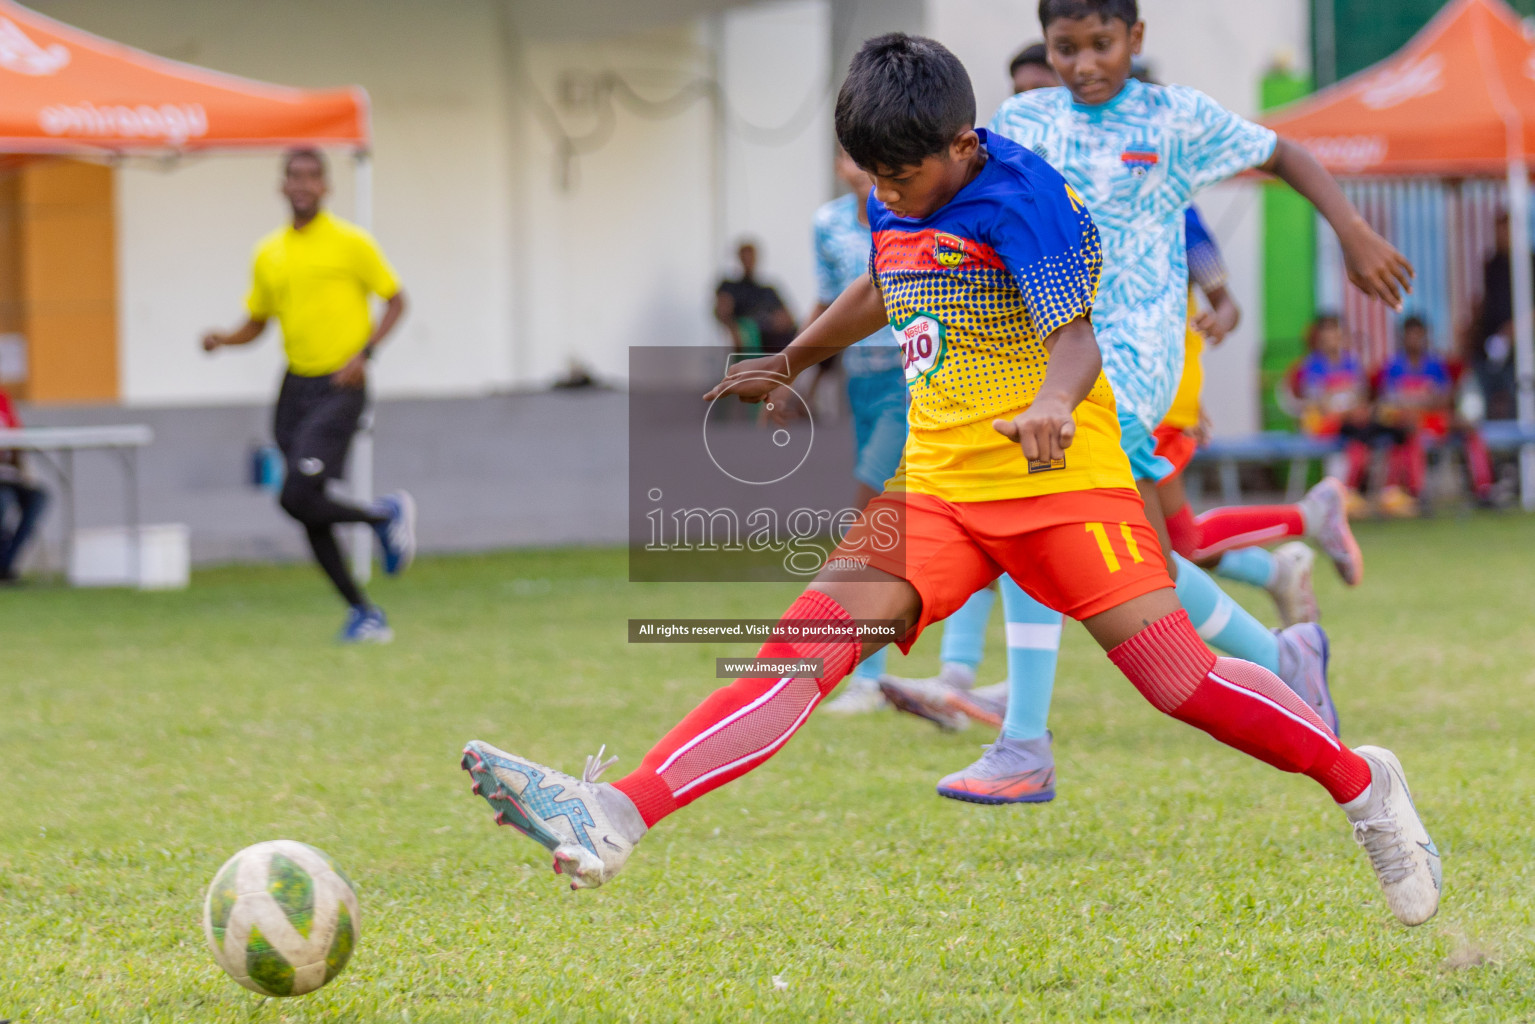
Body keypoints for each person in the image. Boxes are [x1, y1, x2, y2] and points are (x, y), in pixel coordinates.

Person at [458, 33, 1441, 929]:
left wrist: (1053, 403)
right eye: (877, 174)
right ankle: (617, 810)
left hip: (1061, 480)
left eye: (907, 171)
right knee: (797, 653)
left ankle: (1363, 787)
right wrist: (794, 357)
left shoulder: (1021, 199)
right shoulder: (899, 189)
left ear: (962, 140)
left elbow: (1074, 337)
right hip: (935, 489)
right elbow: (888, 280)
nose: (894, 190)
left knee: (1175, 680)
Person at [202, 148, 415, 643]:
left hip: (341, 386)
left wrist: (365, 355)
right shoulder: (269, 253)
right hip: (293, 388)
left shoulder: (351, 243)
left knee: (297, 493)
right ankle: (364, 612)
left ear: (326, 187)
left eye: (312, 177)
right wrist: (222, 340)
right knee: (304, 504)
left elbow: (396, 300)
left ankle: (385, 515)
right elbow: (257, 321)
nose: (302, 185)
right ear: (281, 186)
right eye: (293, 176)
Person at [1376, 316, 1496, 505]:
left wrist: (1419, 402)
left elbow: (1446, 397)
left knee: (1469, 427)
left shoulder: (1435, 365)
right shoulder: (1393, 366)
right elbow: (1389, 404)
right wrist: (1424, 401)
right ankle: (1416, 494)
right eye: (1411, 335)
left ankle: (1484, 489)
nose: (1415, 340)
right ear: (1403, 338)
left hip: (1431, 420)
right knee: (1410, 431)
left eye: (1419, 335)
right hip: (1407, 424)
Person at [1468, 211, 1523, 421]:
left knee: (1516, 394)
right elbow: (1486, 301)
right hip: (1490, 344)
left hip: (1520, 349)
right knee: (1484, 393)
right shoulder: (1492, 264)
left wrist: (1515, 330)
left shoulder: (1528, 262)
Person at [714, 241, 798, 355]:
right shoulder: (730, 287)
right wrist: (733, 329)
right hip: (751, 333)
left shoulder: (768, 290)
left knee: (798, 338)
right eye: (745, 256)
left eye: (751, 256)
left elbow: (788, 317)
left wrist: (779, 321)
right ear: (739, 258)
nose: (748, 260)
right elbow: (722, 311)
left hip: (773, 331)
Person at [0, 387, 47, 583]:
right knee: (2, 500)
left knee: (38, 498)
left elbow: (17, 439)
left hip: (8, 475)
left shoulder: (2, 399)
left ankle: (6, 563)